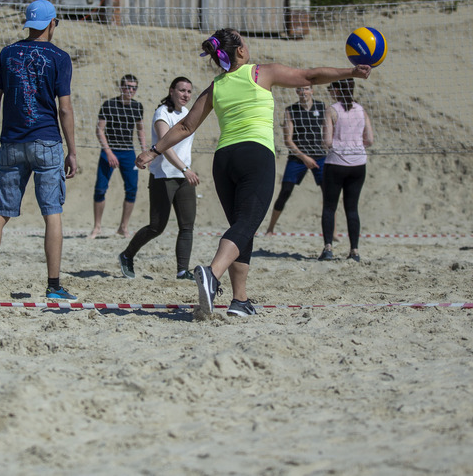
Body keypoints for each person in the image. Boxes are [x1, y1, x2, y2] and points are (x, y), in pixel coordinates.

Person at [137, 28, 371, 317]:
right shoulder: (261, 73)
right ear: (241, 51)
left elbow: (186, 127)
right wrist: (352, 72)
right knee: (246, 224)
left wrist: (153, 151)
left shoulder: (216, 86)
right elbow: (310, 76)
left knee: (241, 228)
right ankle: (212, 274)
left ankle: (240, 300)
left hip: (224, 161)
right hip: (255, 155)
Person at [0, 0, 79, 300]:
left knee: (0, 214)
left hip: (10, 141)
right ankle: (53, 285)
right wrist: (72, 150)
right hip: (46, 141)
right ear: (51, 24)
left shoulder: (8, 53)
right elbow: (65, 109)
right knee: (52, 214)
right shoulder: (60, 57)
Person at [119, 77, 200, 281]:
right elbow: (165, 146)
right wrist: (185, 169)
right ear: (171, 91)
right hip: (164, 176)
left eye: (189, 92)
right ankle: (127, 255)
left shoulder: (188, 113)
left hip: (183, 176)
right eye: (182, 90)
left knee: (187, 226)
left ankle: (183, 270)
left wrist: (185, 170)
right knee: (157, 226)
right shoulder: (162, 113)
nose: (186, 95)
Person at [319, 78, 374, 263]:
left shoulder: (332, 110)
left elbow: (327, 141)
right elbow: (370, 140)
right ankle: (354, 251)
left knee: (329, 207)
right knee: (352, 209)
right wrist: (357, 146)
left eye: (330, 88)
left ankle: (328, 248)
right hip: (358, 163)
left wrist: (332, 144)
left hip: (336, 163)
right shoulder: (361, 110)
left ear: (336, 90)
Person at [89, 74, 145, 239]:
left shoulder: (137, 107)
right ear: (121, 87)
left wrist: (144, 150)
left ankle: (123, 227)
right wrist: (108, 152)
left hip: (128, 151)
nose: (130, 90)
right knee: (100, 188)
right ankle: (97, 227)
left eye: (134, 87)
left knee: (132, 189)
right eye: (127, 86)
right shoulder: (109, 105)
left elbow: (140, 129)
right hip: (110, 150)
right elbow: (99, 130)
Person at [265, 85, 326, 235]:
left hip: (320, 156)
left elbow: (327, 132)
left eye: (306, 89)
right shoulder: (291, 110)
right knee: (285, 191)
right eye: (300, 89)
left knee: (329, 194)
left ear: (312, 90)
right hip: (298, 158)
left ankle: (333, 233)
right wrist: (304, 158)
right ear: (296, 91)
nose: (303, 92)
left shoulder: (322, 107)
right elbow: (288, 141)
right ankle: (270, 229)